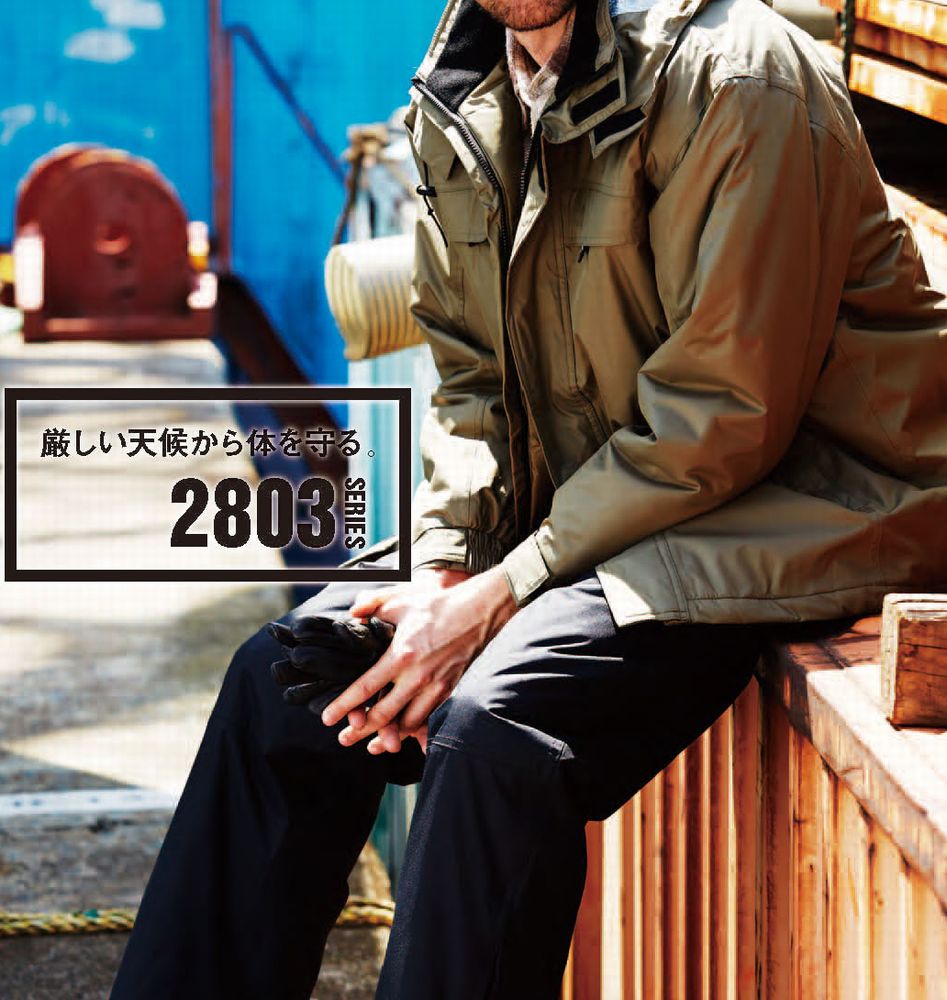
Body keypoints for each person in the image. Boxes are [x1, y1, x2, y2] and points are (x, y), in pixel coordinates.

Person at [111, 0, 946, 997]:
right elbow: (470, 379)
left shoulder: (736, 74)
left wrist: (504, 590)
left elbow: (724, 416)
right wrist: (444, 568)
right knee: (290, 676)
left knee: (495, 728)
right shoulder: (464, 92)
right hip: (620, 502)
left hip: (810, 498)